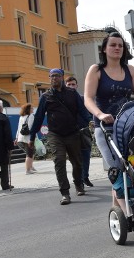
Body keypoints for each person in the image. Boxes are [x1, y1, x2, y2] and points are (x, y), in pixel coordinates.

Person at [84, 30, 134, 209]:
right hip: (105, 128)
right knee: (118, 168)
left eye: (120, 45)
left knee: (133, 165)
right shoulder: (96, 70)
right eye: (112, 45)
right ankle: (128, 212)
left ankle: (118, 214)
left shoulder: (130, 70)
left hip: (127, 126)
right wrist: (100, 114)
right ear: (104, 49)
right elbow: (88, 98)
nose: (117, 48)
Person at [30, 68, 92, 205]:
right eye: (51, 76)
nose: (53, 78)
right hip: (55, 135)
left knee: (77, 162)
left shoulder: (72, 93)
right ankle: (65, 193)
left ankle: (78, 183)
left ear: (62, 77)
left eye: (56, 76)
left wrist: (92, 122)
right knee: (59, 161)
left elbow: (82, 111)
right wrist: (32, 136)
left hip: (73, 133)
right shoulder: (45, 97)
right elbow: (39, 117)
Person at [65, 76, 93, 187]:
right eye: (69, 84)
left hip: (84, 131)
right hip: (70, 133)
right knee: (75, 159)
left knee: (86, 156)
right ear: (65, 85)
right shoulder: (64, 100)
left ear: (77, 85)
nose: (71, 86)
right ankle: (79, 181)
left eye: (73, 84)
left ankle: (85, 177)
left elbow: (89, 113)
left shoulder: (83, 98)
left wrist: (91, 122)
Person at [15, 103, 37, 174]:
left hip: (21, 138)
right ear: (28, 109)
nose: (33, 109)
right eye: (31, 108)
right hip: (28, 138)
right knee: (29, 154)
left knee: (31, 152)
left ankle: (31, 166)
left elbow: (18, 128)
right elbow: (31, 127)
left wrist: (16, 138)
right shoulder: (31, 116)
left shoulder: (21, 117)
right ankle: (28, 170)